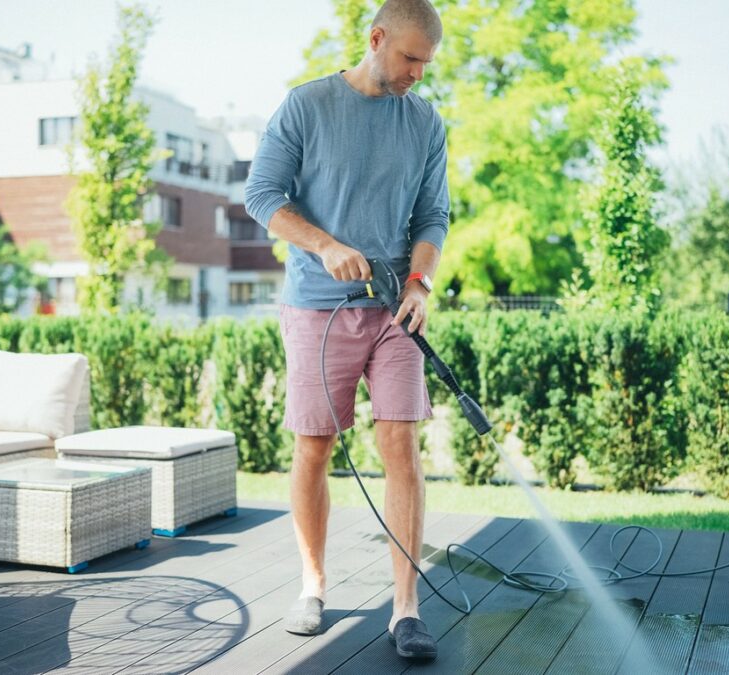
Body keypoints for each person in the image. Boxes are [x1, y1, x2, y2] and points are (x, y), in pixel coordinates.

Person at [244, 0, 449, 661]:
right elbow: (262, 195)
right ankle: (312, 583)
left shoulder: (425, 122)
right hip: (317, 308)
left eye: (427, 63)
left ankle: (406, 608)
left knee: (401, 445)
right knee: (314, 447)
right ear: (376, 38)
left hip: (394, 311)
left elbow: (433, 216)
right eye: (410, 58)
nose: (418, 73)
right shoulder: (306, 106)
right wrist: (325, 245)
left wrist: (419, 284)